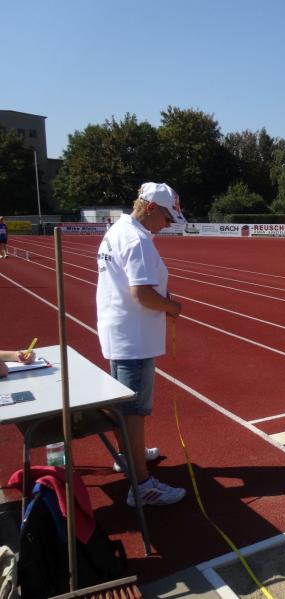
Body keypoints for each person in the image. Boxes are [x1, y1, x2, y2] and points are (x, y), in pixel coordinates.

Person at [96, 182, 187, 507]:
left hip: (121, 332)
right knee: (133, 413)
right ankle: (142, 486)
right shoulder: (137, 240)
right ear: (150, 208)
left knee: (124, 408)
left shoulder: (119, 230)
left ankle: (128, 456)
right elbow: (142, 293)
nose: (168, 225)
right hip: (133, 339)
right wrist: (172, 307)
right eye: (167, 218)